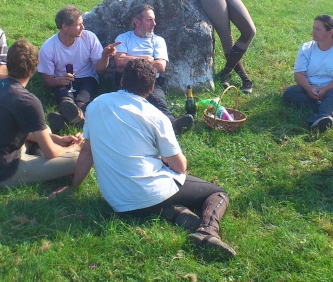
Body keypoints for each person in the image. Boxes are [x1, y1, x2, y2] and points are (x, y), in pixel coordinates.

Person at [50, 59, 236, 258]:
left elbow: (87, 151)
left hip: (117, 202)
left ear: (121, 81)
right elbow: (180, 166)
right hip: (149, 192)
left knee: (157, 196)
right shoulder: (157, 117)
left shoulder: (96, 105)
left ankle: (174, 211)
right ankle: (207, 232)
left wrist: (74, 186)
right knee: (217, 193)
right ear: (152, 87)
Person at [0, 39, 83, 187]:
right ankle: (38, 156)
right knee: (78, 159)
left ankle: (38, 152)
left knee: (44, 129)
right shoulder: (28, 101)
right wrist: (72, 148)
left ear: (8, 63)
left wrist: (56, 139)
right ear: (36, 66)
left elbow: (10, 128)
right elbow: (51, 152)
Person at [113, 4, 194, 133]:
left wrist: (131, 60)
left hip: (150, 79)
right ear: (137, 22)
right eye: (149, 20)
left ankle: (172, 122)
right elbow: (119, 62)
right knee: (131, 103)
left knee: (157, 100)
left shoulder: (158, 41)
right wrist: (147, 59)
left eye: (154, 20)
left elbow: (161, 66)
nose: (154, 24)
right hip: (126, 79)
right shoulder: (123, 38)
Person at [37, 6, 119, 132]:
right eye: (79, 24)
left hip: (87, 78)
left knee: (83, 99)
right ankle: (75, 115)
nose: (83, 28)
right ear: (65, 26)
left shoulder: (89, 38)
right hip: (63, 81)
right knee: (64, 96)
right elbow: (48, 81)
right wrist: (59, 81)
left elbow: (100, 70)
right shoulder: (48, 47)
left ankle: (67, 119)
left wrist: (105, 56)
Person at [282, 15, 333, 133]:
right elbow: (299, 74)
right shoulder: (306, 47)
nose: (313, 32)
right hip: (312, 89)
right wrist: (309, 88)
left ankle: (322, 116)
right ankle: (332, 111)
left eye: (318, 29)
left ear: (331, 32)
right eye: (313, 28)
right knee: (290, 93)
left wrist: (326, 89)